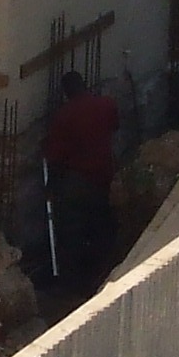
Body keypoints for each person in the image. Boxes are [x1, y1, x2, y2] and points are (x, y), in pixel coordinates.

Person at [41, 71, 120, 285]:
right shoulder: (105, 105)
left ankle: (72, 281)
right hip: (103, 175)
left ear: (66, 93)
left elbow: (55, 157)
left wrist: (50, 187)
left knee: (71, 229)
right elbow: (115, 125)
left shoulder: (64, 116)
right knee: (99, 224)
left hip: (77, 180)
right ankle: (101, 270)